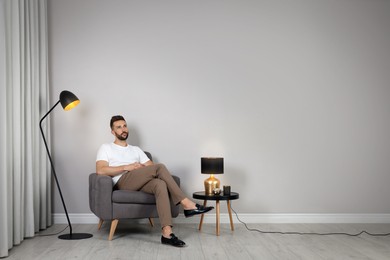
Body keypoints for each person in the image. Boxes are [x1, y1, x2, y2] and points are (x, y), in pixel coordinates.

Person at [96, 115, 214, 247]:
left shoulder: (136, 150)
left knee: (160, 184)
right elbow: (100, 170)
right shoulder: (106, 147)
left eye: (124, 126)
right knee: (160, 167)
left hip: (138, 180)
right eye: (119, 127)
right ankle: (186, 203)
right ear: (113, 132)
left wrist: (140, 169)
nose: (123, 129)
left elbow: (151, 167)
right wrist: (126, 167)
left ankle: (167, 233)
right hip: (122, 181)